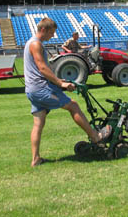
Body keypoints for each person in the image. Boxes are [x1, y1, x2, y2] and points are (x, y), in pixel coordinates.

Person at [24, 18, 111, 167]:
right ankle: (96, 137)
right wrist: (61, 83)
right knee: (73, 105)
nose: (52, 36)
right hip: (40, 88)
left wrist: (58, 79)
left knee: (38, 123)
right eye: (51, 33)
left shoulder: (30, 43)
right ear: (44, 30)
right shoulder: (35, 44)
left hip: (31, 89)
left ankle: (35, 159)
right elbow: (42, 69)